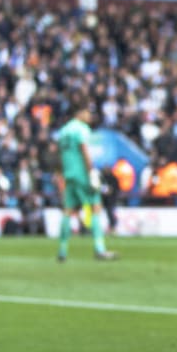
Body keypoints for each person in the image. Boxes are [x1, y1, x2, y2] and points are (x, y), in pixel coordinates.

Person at [55, 99, 117, 262]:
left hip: (69, 174)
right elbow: (84, 150)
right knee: (96, 206)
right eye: (88, 112)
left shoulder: (64, 130)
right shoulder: (81, 129)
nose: (89, 116)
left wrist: (63, 173)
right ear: (80, 113)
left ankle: (62, 250)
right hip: (82, 173)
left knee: (68, 210)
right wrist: (91, 172)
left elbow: (60, 155)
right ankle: (99, 248)